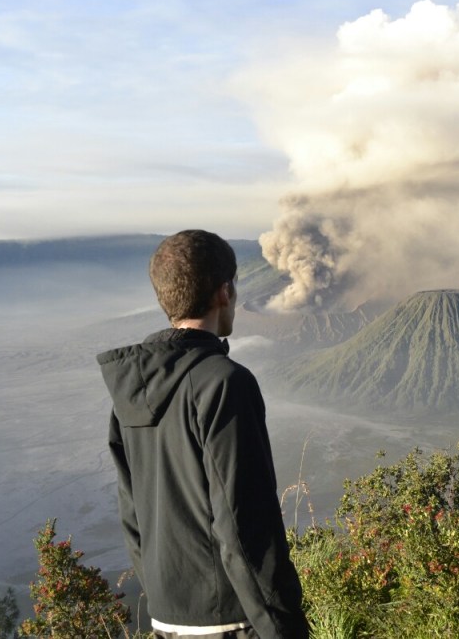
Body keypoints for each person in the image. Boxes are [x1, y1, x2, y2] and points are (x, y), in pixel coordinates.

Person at [97, 230, 309, 639]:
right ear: (224, 292)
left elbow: (133, 516)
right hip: (230, 623)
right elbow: (244, 525)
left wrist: (168, 606)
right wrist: (284, 628)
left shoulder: (130, 391)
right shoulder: (225, 383)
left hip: (167, 621)